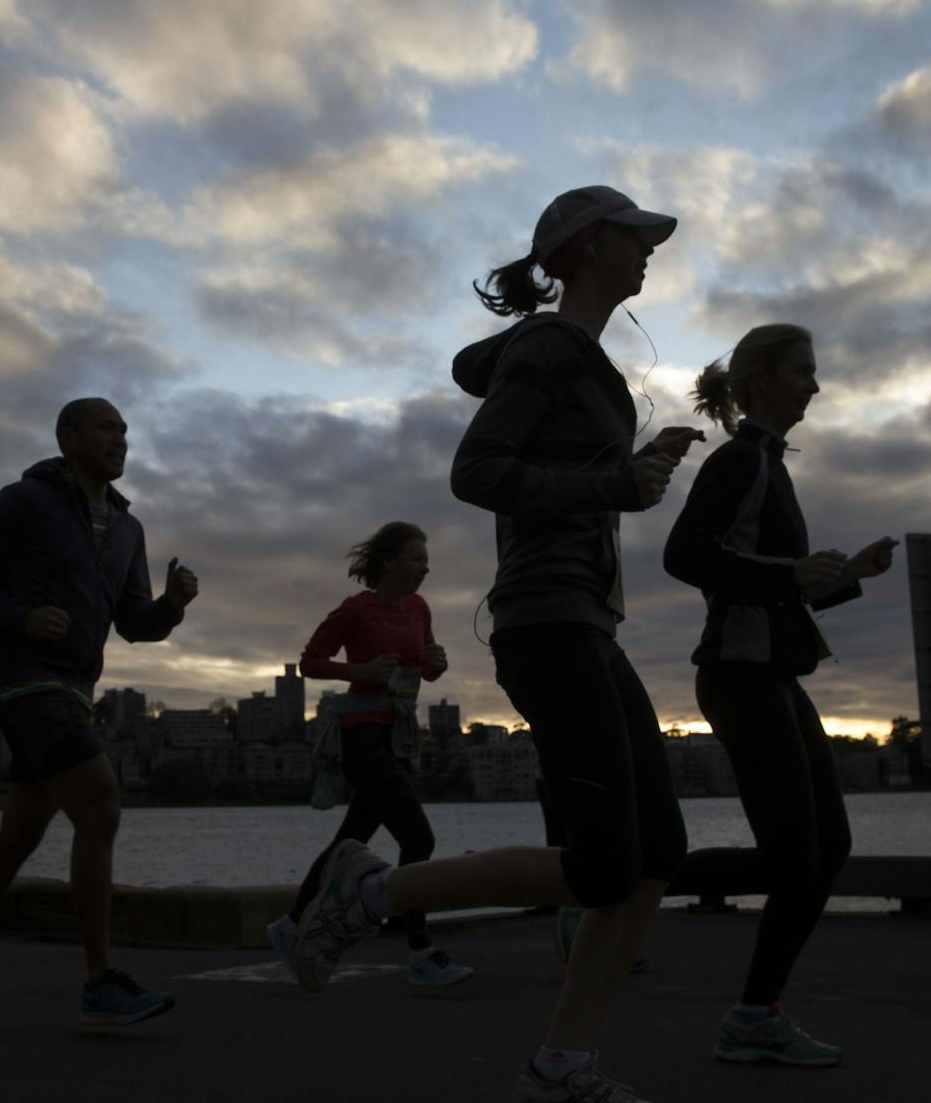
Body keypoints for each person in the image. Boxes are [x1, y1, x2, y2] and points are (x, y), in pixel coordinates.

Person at [292, 186, 703, 1103]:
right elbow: (476, 471)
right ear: (589, 246)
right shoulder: (553, 346)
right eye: (635, 238)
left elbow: (558, 466)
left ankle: (562, 1064)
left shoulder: (571, 354)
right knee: (605, 865)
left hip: (585, 620)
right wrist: (613, 488)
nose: (649, 254)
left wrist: (633, 470)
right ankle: (368, 895)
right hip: (546, 620)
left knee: (656, 854)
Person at [0, 397, 199, 1026]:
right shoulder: (25, 500)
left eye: (124, 429)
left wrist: (171, 606)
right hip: (24, 680)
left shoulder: (128, 528)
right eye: (105, 427)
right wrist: (17, 616)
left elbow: (134, 625)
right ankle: (99, 982)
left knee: (21, 834)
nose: (120, 438)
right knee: (99, 804)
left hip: (76, 691)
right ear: (67, 436)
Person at [663, 324, 898, 1068]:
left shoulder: (771, 467)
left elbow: (777, 591)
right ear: (760, 377)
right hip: (737, 677)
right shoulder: (738, 460)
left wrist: (846, 573)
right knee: (796, 855)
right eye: (804, 371)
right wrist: (790, 574)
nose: (816, 386)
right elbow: (686, 557)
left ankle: (754, 1013)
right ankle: (616, 886)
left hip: (772, 674)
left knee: (827, 850)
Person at [269, 522, 471, 988]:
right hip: (358, 735)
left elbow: (423, 669)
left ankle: (290, 925)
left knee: (350, 839)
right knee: (418, 839)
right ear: (389, 561)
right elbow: (311, 661)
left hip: (397, 735)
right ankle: (420, 951)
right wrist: (358, 669)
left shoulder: (419, 608)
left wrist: (435, 664)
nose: (425, 567)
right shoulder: (356, 610)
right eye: (417, 558)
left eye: (426, 560)